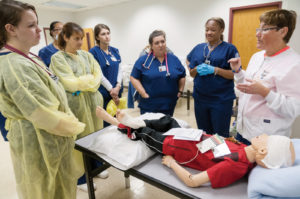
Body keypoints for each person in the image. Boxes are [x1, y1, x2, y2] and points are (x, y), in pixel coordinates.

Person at [0, 1, 86, 198]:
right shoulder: (15, 64)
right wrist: (77, 127)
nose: (40, 30)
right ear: (10, 29)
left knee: (60, 187)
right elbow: (43, 114)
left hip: (52, 138)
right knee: (46, 190)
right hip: (39, 140)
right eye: (31, 25)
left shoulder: (28, 57)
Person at [95, 106, 295, 188]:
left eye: (266, 139)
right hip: (188, 137)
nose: (262, 135)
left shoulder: (236, 165)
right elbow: (219, 142)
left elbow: (193, 182)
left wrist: (172, 163)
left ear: (263, 152)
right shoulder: (244, 147)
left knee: (144, 133)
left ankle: (117, 124)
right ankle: (133, 122)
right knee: (166, 120)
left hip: (174, 148)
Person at [49, 22, 108, 191]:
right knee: (78, 140)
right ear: (65, 37)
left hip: (92, 103)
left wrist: (84, 82)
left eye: (81, 38)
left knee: (94, 136)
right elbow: (70, 83)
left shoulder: (86, 55)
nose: (80, 42)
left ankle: (95, 167)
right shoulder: (58, 59)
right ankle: (80, 178)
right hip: (74, 106)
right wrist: (87, 81)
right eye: (76, 38)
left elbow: (97, 77)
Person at [228, 9, 300, 145]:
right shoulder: (257, 57)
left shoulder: (294, 64)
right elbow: (247, 87)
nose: (257, 34)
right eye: (258, 29)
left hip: (267, 138)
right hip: (243, 130)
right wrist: (238, 72)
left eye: (264, 29)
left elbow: (293, 109)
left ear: (283, 31)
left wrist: (265, 92)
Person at [187, 17, 239, 137]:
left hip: (220, 100)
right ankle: (207, 155)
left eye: (213, 30)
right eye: (207, 29)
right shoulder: (199, 48)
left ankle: (219, 156)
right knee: (204, 133)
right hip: (200, 98)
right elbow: (191, 70)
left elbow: (234, 74)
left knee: (219, 135)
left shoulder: (230, 49)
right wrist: (195, 69)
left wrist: (215, 70)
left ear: (221, 30)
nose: (209, 33)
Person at [130, 30, 186, 116]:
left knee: (166, 127)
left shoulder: (174, 59)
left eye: (162, 42)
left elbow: (182, 75)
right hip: (149, 105)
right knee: (149, 129)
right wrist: (143, 93)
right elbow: (133, 77)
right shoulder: (143, 60)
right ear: (151, 46)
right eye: (156, 43)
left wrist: (180, 91)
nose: (160, 45)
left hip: (169, 105)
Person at [89, 24, 123, 127]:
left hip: (117, 91)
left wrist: (118, 86)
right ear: (97, 37)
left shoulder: (115, 50)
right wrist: (111, 89)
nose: (107, 36)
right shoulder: (93, 52)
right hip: (104, 92)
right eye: (103, 34)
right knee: (106, 121)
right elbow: (98, 73)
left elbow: (120, 69)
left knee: (118, 118)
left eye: (108, 33)